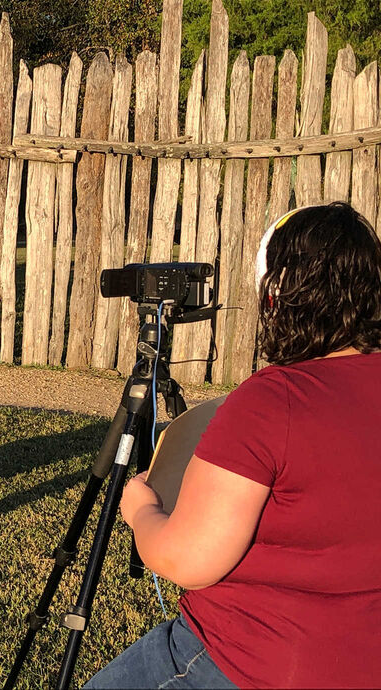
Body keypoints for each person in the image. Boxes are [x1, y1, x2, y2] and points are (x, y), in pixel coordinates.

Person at [86, 201, 381, 688]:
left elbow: (188, 559)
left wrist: (139, 509)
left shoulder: (274, 400)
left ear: (278, 295)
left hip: (250, 660)